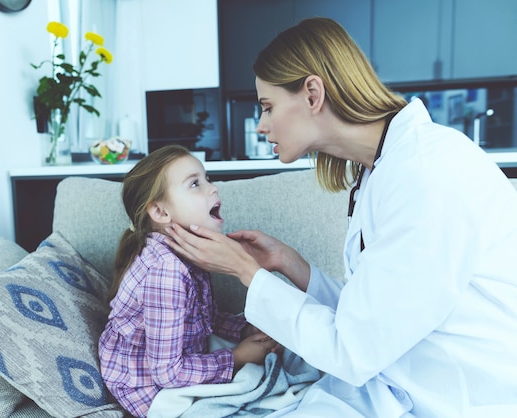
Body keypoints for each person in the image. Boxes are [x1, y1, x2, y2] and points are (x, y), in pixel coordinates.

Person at [164, 17, 517, 417]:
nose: (261, 125)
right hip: (398, 379)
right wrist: (289, 264)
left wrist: (248, 272)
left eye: (268, 106)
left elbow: (354, 349)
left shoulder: (427, 175)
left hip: (459, 396)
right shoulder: (381, 169)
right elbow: (372, 312)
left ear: (312, 93)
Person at [98, 145, 279, 417]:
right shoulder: (166, 270)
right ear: (160, 213)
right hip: (146, 386)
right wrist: (239, 357)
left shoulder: (189, 253)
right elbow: (168, 374)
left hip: (175, 367)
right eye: (195, 183)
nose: (213, 188)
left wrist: (243, 330)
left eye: (207, 178)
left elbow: (204, 319)